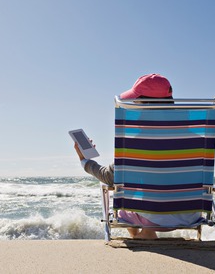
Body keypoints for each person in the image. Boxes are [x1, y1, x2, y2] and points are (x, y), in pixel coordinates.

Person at [74, 74, 201, 239]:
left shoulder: (136, 142)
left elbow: (108, 177)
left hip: (152, 217)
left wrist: (84, 161)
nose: (133, 105)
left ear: (145, 104)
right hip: (190, 216)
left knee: (122, 194)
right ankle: (145, 233)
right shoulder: (198, 139)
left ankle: (142, 234)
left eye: (136, 101)